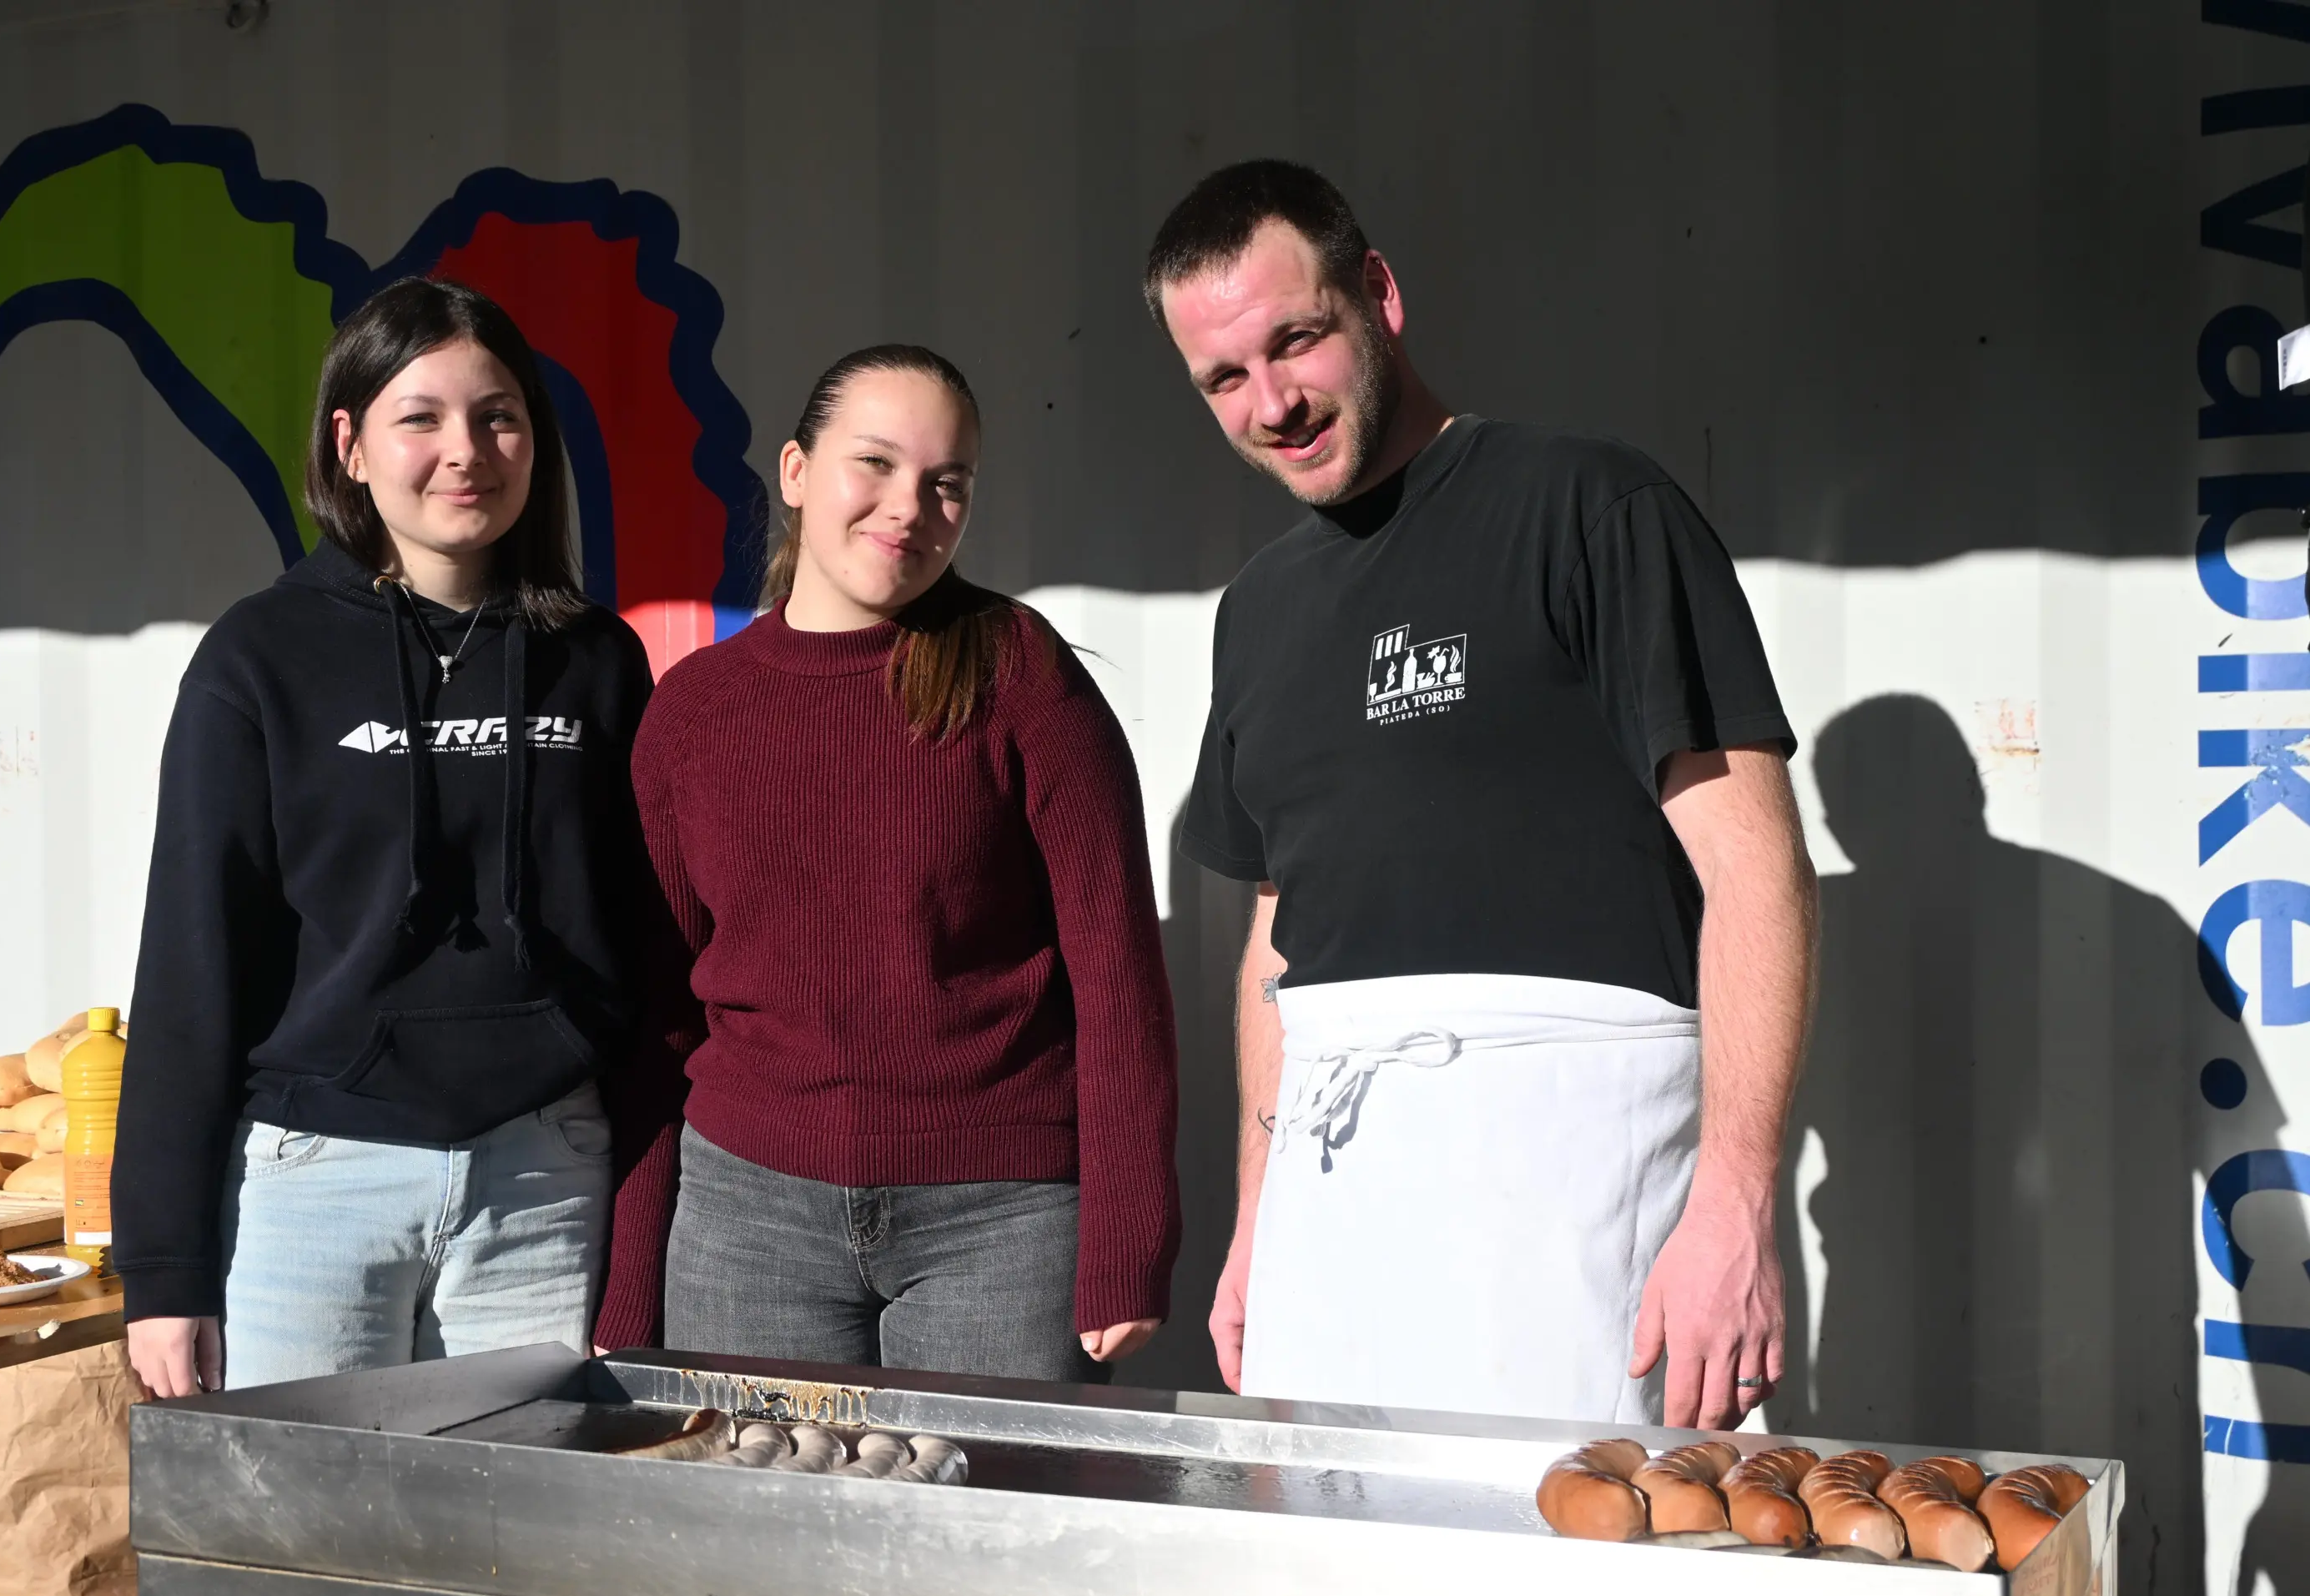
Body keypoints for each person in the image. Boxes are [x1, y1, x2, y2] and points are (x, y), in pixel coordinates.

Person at [1146, 160, 1819, 1429]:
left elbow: (1756, 869)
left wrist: (1735, 1199)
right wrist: (1259, 1219)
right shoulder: (1258, 611)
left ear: (1378, 295)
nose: (1273, 403)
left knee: (1575, 1589)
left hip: (1575, 1175)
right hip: (1332, 1205)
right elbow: (1280, 948)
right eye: (1225, 379)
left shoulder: (1591, 507)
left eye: (1296, 342)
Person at [115, 277, 663, 1397]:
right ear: (350, 444)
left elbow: (649, 946)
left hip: (544, 1175)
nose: (465, 450)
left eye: (498, 416)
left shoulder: (597, 662)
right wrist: (164, 1272)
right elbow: (192, 959)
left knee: (518, 1546)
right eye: (421, 417)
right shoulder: (259, 659)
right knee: (313, 1547)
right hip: (319, 1177)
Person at [611, 344, 1180, 1381]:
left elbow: (1118, 971)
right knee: (764, 1534)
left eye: (944, 482)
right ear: (794, 472)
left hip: (1001, 1222)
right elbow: (658, 1012)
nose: (907, 506)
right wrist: (630, 1270)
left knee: (987, 1533)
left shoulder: (1020, 672)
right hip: (748, 1215)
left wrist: (1129, 1244)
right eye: (872, 463)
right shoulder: (692, 714)